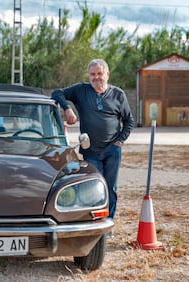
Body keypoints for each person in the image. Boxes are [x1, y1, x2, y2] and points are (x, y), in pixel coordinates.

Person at [51, 58, 134, 220]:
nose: (96, 77)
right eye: (92, 74)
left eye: (99, 73)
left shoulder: (118, 95)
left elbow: (129, 121)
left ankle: (108, 222)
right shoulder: (81, 90)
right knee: (94, 187)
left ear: (107, 74)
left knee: (110, 188)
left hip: (112, 150)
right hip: (91, 151)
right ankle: (95, 220)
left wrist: (120, 141)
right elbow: (56, 93)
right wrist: (67, 109)